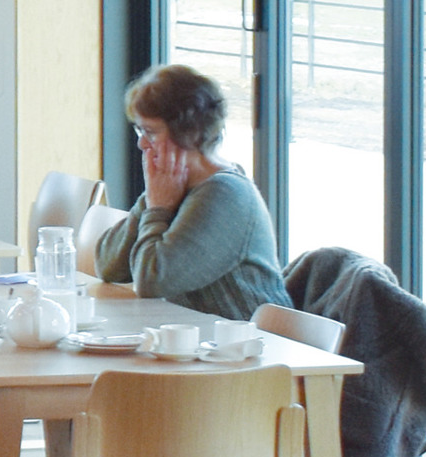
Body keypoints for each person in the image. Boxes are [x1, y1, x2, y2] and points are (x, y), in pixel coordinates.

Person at [93, 64, 291, 321]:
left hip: (253, 350)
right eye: (139, 130)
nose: (142, 143)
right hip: (204, 349)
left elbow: (152, 281)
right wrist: (152, 199)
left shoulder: (225, 195)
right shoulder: (176, 187)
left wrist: (157, 209)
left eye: (150, 132)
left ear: (189, 134)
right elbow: (108, 266)